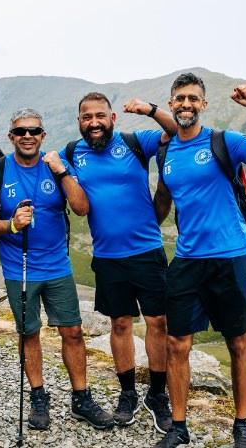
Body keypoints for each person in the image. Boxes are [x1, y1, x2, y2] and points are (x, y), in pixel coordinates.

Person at [151, 73, 246, 448]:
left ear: (204, 104)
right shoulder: (166, 152)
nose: (185, 104)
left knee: (238, 342)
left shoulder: (222, 142)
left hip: (231, 257)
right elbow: (165, 197)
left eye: (193, 98)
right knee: (177, 343)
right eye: (179, 98)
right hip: (187, 259)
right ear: (170, 103)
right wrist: (143, 227)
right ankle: (178, 426)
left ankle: (242, 425)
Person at [0, 108, 114, 431]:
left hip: (57, 267)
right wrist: (11, 224)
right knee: (29, 334)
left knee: (72, 331)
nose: (27, 136)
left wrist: (62, 171)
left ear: (43, 136)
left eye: (34, 131)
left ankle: (81, 397)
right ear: (11, 137)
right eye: (21, 131)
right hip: (18, 269)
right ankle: (39, 396)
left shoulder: (56, 167)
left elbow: (81, 208)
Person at [59, 92, 177, 432]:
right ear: (79, 122)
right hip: (108, 257)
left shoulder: (135, 142)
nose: (93, 122)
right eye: (86, 117)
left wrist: (151, 110)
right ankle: (127, 394)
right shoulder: (72, 153)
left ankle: (157, 395)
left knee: (158, 324)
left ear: (113, 118)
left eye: (100, 115)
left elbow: (175, 131)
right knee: (120, 325)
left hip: (147, 252)